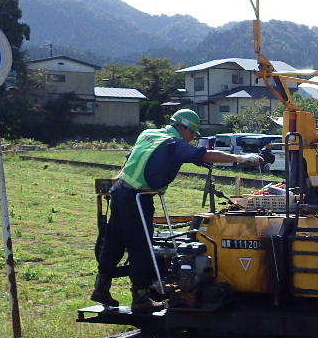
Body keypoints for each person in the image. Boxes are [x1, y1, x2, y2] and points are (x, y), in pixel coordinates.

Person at [91, 109, 266, 312]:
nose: (192, 138)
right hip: (138, 198)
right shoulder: (174, 144)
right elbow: (206, 155)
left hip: (120, 190)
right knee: (141, 247)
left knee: (115, 241)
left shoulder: (149, 134)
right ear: (182, 128)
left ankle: (100, 288)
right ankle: (140, 299)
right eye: (192, 133)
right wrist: (241, 159)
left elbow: (137, 156)